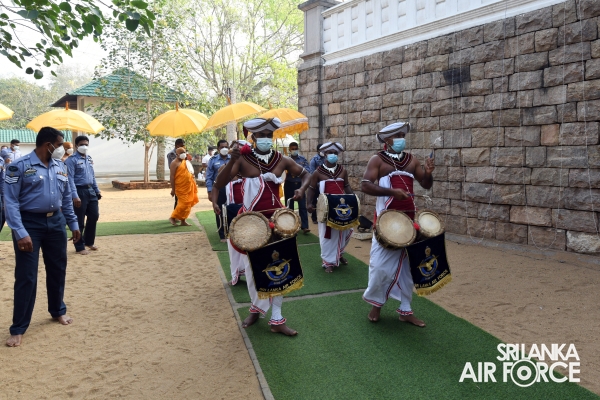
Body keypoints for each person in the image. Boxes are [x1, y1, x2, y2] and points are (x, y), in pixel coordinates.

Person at [214, 118, 310, 336]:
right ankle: (256, 309)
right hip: (252, 222)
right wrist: (232, 160)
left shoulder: (282, 160)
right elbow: (220, 183)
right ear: (253, 137)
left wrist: (302, 190)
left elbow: (306, 174)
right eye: (261, 135)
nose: (266, 138)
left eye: (269, 135)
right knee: (254, 268)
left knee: (280, 266)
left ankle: (277, 318)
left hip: (279, 221)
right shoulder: (243, 160)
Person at [4, 126, 81, 347]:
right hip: (29, 224)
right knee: (26, 276)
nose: (61, 148)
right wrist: (20, 232)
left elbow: (66, 198)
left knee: (58, 269)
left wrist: (73, 222)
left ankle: (58, 310)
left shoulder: (61, 166)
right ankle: (18, 328)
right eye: (58, 144)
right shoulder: (18, 167)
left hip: (56, 222)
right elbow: (10, 202)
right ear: (47, 144)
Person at [360, 122, 434, 327]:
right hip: (386, 222)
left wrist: (428, 173)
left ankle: (406, 310)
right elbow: (365, 185)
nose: (402, 139)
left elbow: (426, 184)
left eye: (403, 135)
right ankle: (376, 305)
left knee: (408, 269)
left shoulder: (412, 160)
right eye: (398, 135)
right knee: (379, 268)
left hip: (410, 221)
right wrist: (392, 192)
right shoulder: (378, 160)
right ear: (387, 140)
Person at [306, 142, 353, 273]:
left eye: (335, 153)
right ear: (325, 154)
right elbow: (311, 188)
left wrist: (353, 199)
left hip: (341, 206)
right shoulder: (317, 172)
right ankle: (328, 262)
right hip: (325, 207)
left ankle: (339, 254)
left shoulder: (343, 170)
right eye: (330, 153)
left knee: (345, 231)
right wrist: (309, 203)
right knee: (327, 235)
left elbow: (347, 186)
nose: (333, 155)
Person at [212, 155, 248, 285]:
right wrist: (214, 203)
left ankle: (251, 275)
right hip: (232, 211)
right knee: (233, 245)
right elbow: (216, 185)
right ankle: (236, 275)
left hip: (249, 211)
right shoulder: (224, 168)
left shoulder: (250, 168)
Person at [65, 136, 101, 255]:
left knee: (94, 216)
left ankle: (88, 241)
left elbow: (92, 176)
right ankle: (79, 246)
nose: (84, 146)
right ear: (76, 146)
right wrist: (74, 196)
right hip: (79, 191)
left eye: (86, 144)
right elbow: (69, 179)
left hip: (90, 190)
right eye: (81, 144)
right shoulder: (71, 160)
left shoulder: (89, 159)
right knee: (79, 220)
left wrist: (97, 190)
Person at [206, 140, 230, 242]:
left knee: (231, 209)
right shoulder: (213, 160)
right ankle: (222, 234)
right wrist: (210, 191)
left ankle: (231, 232)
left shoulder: (233, 158)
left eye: (226, 146)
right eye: (222, 147)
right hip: (219, 189)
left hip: (232, 189)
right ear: (218, 148)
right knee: (219, 210)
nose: (224, 149)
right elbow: (209, 177)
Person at [285, 142, 310, 234]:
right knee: (289, 206)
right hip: (289, 185)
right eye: (292, 149)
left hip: (300, 185)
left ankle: (305, 227)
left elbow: (308, 170)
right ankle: (291, 226)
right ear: (289, 149)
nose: (294, 150)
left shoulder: (302, 159)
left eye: (296, 148)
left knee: (302, 206)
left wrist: (298, 172)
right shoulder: (286, 160)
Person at [169, 147, 199, 225]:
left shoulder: (186, 162)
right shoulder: (174, 163)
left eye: (184, 152)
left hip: (189, 186)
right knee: (184, 203)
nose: (183, 154)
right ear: (177, 154)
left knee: (189, 204)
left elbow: (191, 173)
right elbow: (172, 177)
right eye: (181, 153)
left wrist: (194, 182)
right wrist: (173, 189)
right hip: (180, 187)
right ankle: (173, 217)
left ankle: (183, 220)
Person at [309, 143, 325, 223]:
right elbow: (312, 173)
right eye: (321, 149)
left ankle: (324, 216)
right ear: (318, 150)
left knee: (324, 200)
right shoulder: (314, 160)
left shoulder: (326, 159)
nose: (323, 151)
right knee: (315, 200)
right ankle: (314, 218)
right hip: (317, 184)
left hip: (325, 183)